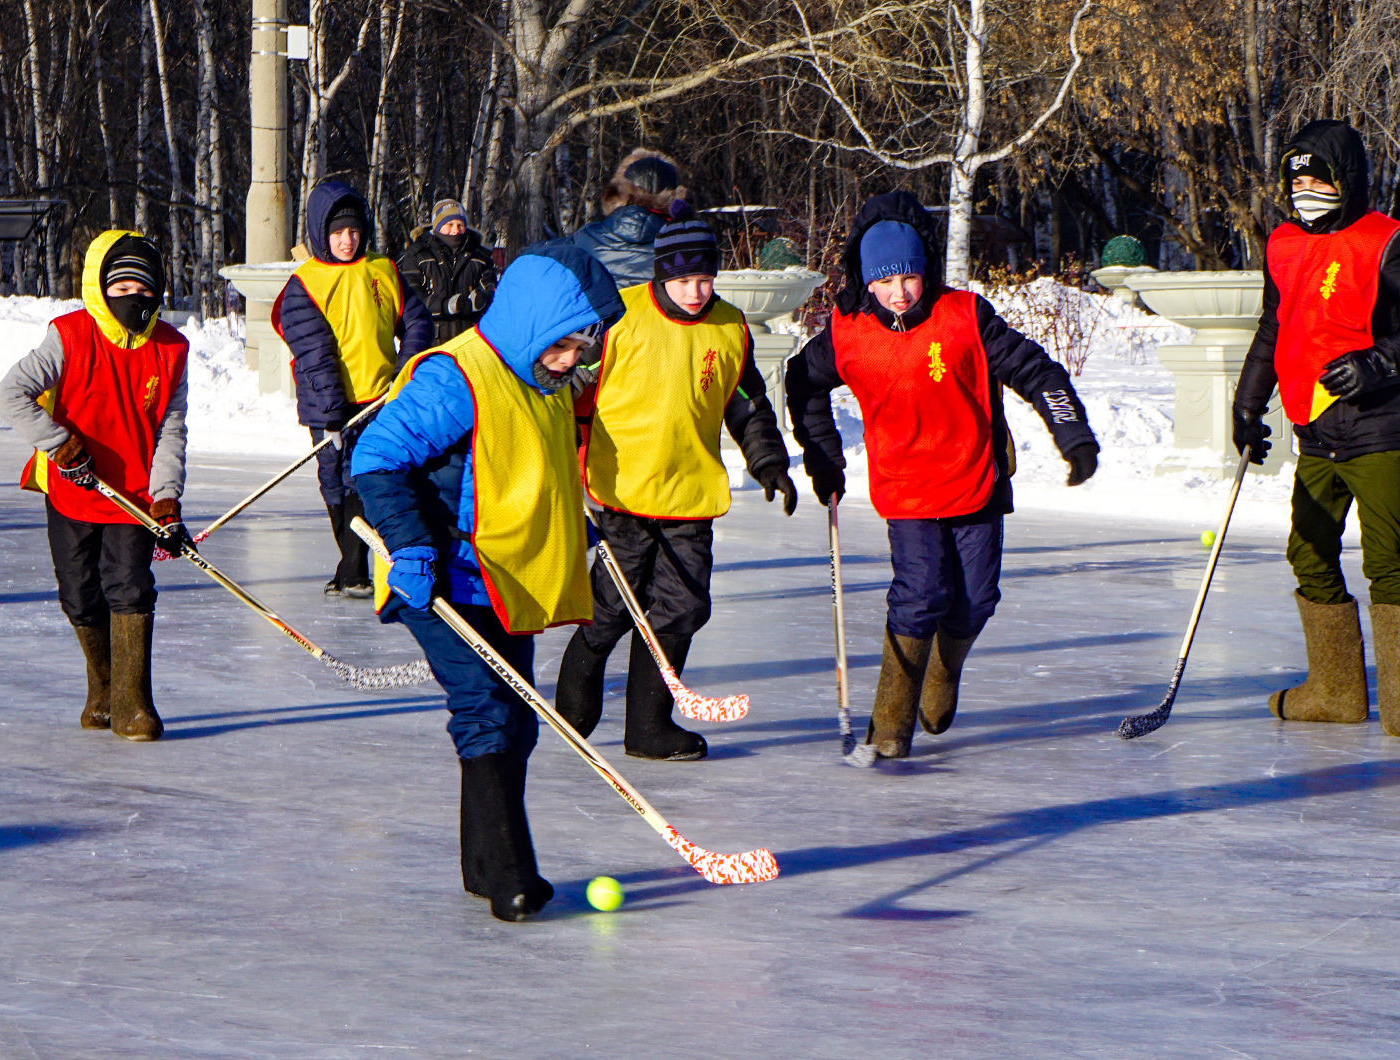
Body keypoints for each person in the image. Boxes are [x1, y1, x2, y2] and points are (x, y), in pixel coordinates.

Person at [352, 245, 623, 923]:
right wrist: (411, 546)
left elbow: (531, 471)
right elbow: (377, 457)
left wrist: (571, 526)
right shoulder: (458, 378)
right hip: (441, 574)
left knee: (516, 718)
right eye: (563, 346)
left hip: (504, 576)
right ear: (534, 326)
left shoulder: (545, 387)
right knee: (486, 710)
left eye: (581, 350)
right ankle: (510, 873)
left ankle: (482, 865)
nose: (572, 363)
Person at [787, 190, 1100, 760]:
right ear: (866, 281)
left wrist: (1071, 432)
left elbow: (1038, 372)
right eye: (884, 282)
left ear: (924, 271)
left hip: (975, 476)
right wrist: (823, 455)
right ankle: (889, 727)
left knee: (976, 601)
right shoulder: (847, 332)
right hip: (906, 488)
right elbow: (801, 384)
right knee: (919, 595)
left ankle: (942, 670)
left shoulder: (963, 317)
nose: (899, 293)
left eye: (909, 277)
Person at [1231, 119, 1400, 742]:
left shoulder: (1389, 242)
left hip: (1379, 426)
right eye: (1296, 177)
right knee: (1307, 549)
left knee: (1386, 558)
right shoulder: (1282, 243)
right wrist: (1248, 406)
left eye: (1317, 176)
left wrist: (1381, 359)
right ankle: (1334, 690)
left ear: (1347, 179)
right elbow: (1273, 328)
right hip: (1313, 427)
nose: (1304, 188)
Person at [553, 201, 796, 762]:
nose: (696, 292)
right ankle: (573, 705)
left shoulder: (729, 326)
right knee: (612, 606)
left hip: (690, 493)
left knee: (680, 609)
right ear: (661, 274)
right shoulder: (618, 317)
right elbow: (569, 391)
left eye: (705, 279)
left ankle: (648, 727)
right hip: (622, 490)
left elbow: (746, 401)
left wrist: (769, 463)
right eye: (684, 280)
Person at [0, 231, 190, 742]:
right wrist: (59, 444)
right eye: (122, 286)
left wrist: (166, 496)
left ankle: (133, 704)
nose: (134, 297)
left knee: (130, 588)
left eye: (144, 289)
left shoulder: (170, 349)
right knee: (80, 595)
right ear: (102, 288)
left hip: (135, 498)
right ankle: (102, 690)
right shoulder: (70, 335)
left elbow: (171, 426)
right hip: (73, 487)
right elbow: (9, 395)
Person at [275, 180, 434, 597]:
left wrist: (405, 371)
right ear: (320, 233)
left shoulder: (383, 270)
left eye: (354, 231)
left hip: (380, 399)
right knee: (334, 481)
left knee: (366, 476)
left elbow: (417, 323)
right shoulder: (304, 285)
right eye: (338, 233)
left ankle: (356, 567)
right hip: (331, 406)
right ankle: (350, 559)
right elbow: (315, 353)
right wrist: (332, 417)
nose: (347, 241)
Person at [528, 148, 686, 288]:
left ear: (616, 194)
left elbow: (528, 260)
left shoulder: (584, 239)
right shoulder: (689, 248)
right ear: (677, 199)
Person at [397, 199, 499, 344]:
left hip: (471, 341)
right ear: (437, 226)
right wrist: (447, 305)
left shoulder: (479, 255)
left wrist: (483, 299)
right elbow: (412, 298)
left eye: (460, 225)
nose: (456, 230)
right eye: (449, 225)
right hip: (430, 341)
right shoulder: (418, 254)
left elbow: (493, 290)